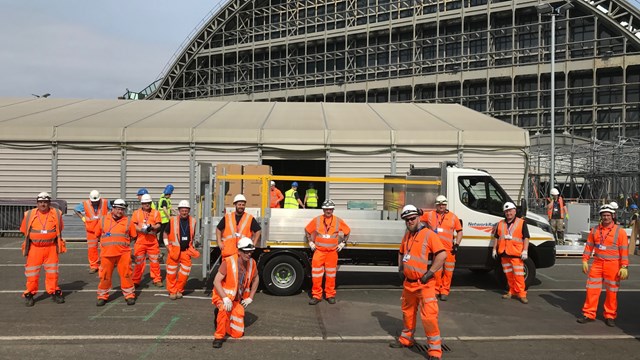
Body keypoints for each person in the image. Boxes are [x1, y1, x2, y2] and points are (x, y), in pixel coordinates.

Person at [389, 205, 446, 360]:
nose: (410, 221)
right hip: (409, 284)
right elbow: (401, 252)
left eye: (412, 218)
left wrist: (430, 273)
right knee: (407, 313)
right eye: (407, 220)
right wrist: (400, 269)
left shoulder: (428, 234)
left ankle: (434, 351)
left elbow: (442, 255)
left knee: (429, 317)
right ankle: (406, 339)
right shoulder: (407, 235)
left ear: (418, 218)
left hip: (425, 283)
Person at [577, 204, 629, 327]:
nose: (606, 217)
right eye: (604, 215)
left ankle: (610, 315)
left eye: (608, 215)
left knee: (612, 292)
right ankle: (589, 314)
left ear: (613, 216)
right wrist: (585, 260)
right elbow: (589, 246)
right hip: (597, 263)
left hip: (613, 265)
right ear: (600, 216)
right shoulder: (594, 230)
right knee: (591, 290)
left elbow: (624, 251)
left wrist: (624, 266)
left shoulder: (619, 232)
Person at [211, 237, 259, 349]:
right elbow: (216, 281)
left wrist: (250, 297)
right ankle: (218, 337)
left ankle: (223, 319)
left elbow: (256, 279)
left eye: (251, 251)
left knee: (237, 334)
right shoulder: (228, 262)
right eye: (246, 251)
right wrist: (225, 298)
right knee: (223, 309)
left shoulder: (252, 263)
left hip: (237, 300)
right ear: (239, 251)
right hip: (223, 297)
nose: (249, 254)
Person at [20, 192, 66, 306]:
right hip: (35, 249)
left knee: (53, 273)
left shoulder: (56, 213)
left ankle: (54, 291)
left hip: (51, 248)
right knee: (32, 274)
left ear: (49, 203)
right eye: (41, 202)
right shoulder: (29, 214)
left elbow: (60, 228)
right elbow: (24, 230)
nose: (43, 204)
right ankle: (30, 294)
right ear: (37, 203)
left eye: (45, 202)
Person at [305, 199, 350, 305]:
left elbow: (347, 232)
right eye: (326, 209)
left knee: (331, 275)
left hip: (332, 253)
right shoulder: (317, 220)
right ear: (323, 209)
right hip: (319, 252)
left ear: (333, 210)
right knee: (316, 275)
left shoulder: (338, 221)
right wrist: (310, 242)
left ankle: (330, 295)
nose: (328, 211)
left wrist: (342, 243)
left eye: (330, 209)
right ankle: (316, 296)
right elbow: (307, 230)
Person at [94, 199, 137, 306]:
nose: (120, 211)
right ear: (112, 209)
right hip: (107, 254)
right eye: (118, 209)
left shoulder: (128, 221)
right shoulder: (103, 220)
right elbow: (97, 234)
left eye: (122, 209)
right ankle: (102, 296)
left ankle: (129, 295)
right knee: (105, 276)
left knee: (126, 275)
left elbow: (133, 236)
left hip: (124, 254)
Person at [420, 195, 463, 301]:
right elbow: (418, 216)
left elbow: (460, 231)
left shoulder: (453, 217)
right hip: (436, 251)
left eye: (443, 204)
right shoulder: (430, 215)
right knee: (436, 272)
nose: (441, 206)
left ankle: (444, 291)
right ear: (436, 205)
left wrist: (457, 244)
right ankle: (436, 290)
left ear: (446, 204)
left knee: (448, 272)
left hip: (449, 250)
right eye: (439, 204)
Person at [492, 202, 530, 304]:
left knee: (519, 275)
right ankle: (511, 291)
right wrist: (494, 249)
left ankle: (522, 294)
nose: (508, 213)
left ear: (514, 211)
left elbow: (526, 237)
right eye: (506, 211)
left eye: (510, 211)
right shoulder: (501, 223)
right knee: (509, 274)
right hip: (504, 253)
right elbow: (496, 237)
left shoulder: (521, 222)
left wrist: (525, 251)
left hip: (516, 254)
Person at [163, 200, 200, 300]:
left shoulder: (193, 221)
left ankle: (179, 290)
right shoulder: (172, 220)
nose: (184, 212)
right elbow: (165, 234)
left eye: (186, 210)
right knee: (171, 273)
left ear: (189, 211)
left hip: (186, 252)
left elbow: (192, 235)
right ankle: (172, 291)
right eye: (182, 210)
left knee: (185, 273)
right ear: (179, 210)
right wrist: (168, 247)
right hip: (174, 251)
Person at [74, 189, 110, 273]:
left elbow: (113, 208)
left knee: (105, 247)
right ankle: (94, 266)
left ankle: (104, 264)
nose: (95, 203)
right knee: (92, 249)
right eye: (93, 201)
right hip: (91, 230)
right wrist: (82, 218)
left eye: (96, 201)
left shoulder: (105, 202)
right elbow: (76, 209)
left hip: (103, 229)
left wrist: (109, 217)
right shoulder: (85, 203)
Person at [131, 194, 163, 288]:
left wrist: (152, 227)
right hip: (140, 241)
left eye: (148, 203)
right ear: (142, 203)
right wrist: (141, 230)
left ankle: (156, 279)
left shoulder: (156, 212)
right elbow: (133, 225)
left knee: (155, 261)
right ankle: (136, 280)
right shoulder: (136, 213)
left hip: (152, 242)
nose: (147, 204)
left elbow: (159, 225)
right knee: (139, 262)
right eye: (145, 203)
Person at [216, 194, 261, 258]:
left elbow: (258, 230)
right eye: (239, 204)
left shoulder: (249, 218)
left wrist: (253, 244)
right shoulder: (227, 217)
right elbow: (218, 229)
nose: (241, 206)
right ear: (235, 205)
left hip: (243, 253)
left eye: (243, 205)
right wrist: (219, 242)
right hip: (229, 252)